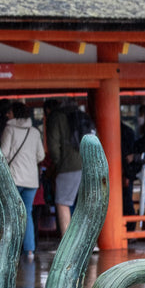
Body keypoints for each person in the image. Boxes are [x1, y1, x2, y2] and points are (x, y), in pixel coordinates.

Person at [0, 101, 45, 262]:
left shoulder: (9, 129)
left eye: (10, 112)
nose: (7, 114)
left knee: (11, 213)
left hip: (14, 178)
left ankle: (10, 250)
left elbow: (3, 153)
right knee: (27, 214)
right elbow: (41, 156)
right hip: (31, 180)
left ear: (15, 114)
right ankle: (30, 250)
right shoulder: (34, 132)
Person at [45, 99, 84, 238]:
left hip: (68, 165)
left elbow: (53, 145)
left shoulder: (56, 117)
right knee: (83, 205)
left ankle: (68, 244)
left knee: (62, 203)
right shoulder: (81, 116)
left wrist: (58, 163)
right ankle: (88, 241)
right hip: (86, 164)